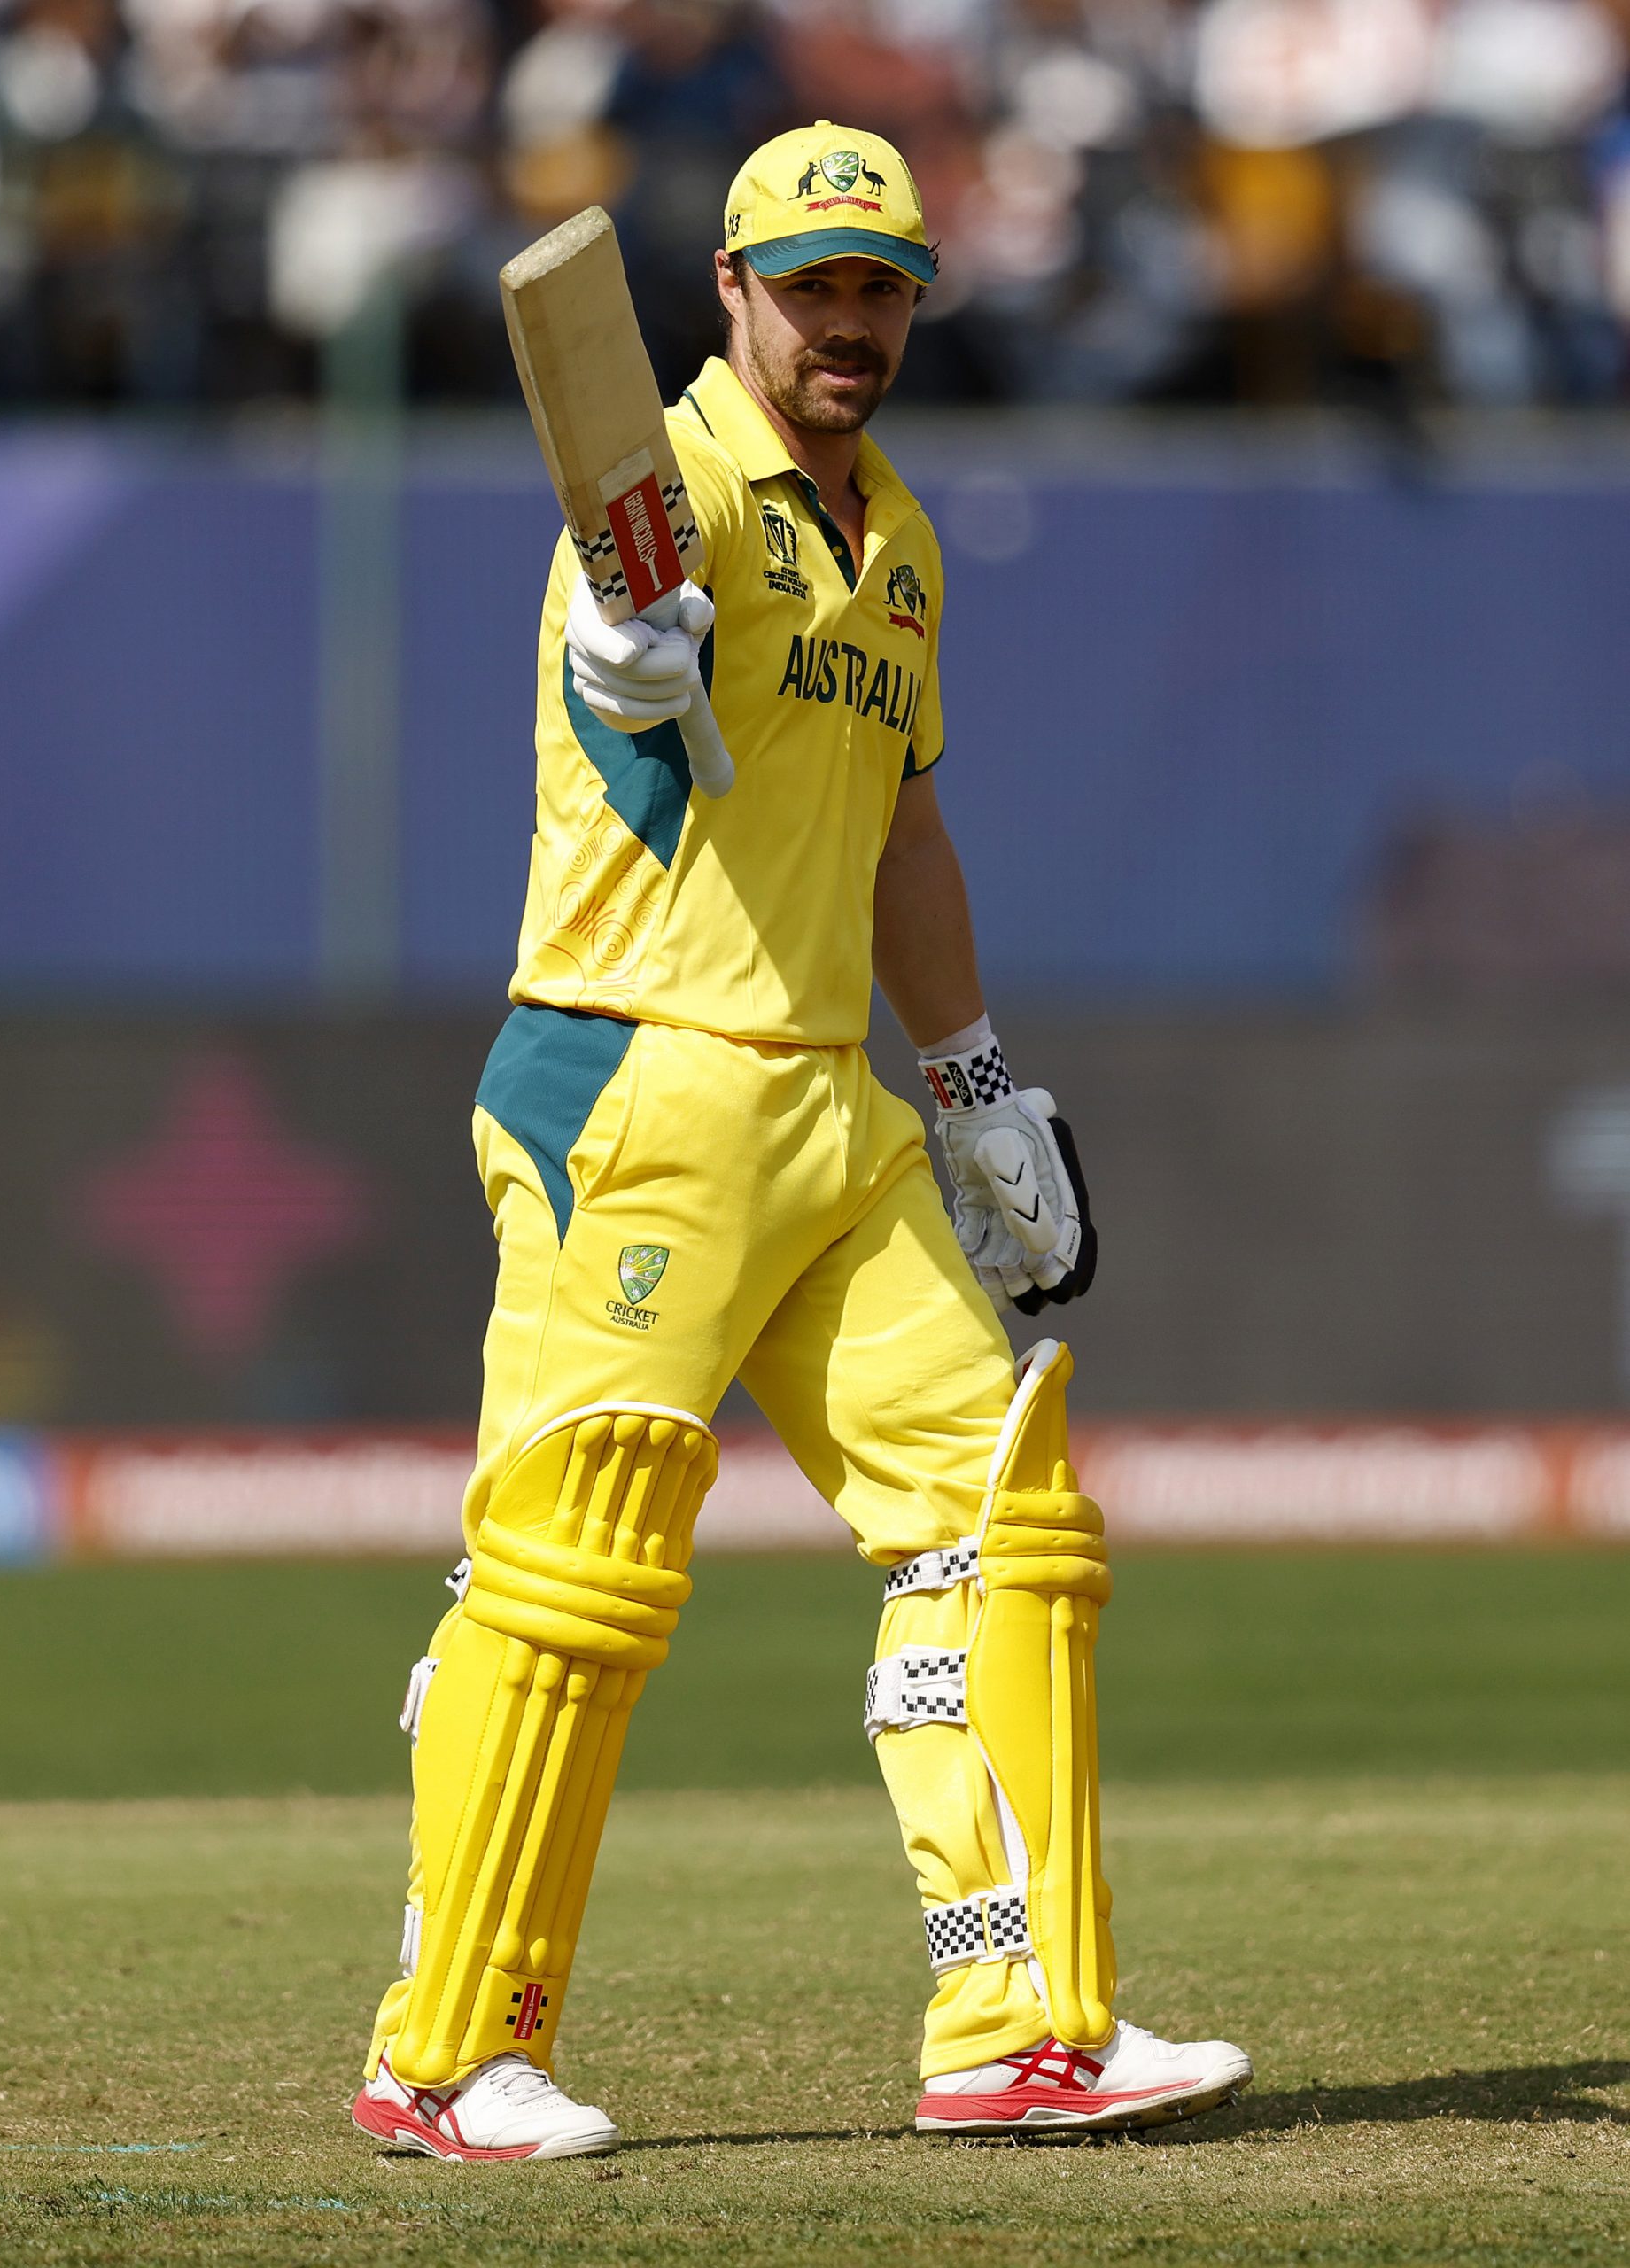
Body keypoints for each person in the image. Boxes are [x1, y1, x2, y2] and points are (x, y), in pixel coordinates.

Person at [353, 120, 1251, 2162]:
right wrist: (617, 664)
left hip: (827, 1098)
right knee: (577, 1586)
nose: (846, 324)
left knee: (1009, 1520)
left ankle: (1017, 2023)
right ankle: (441, 2052)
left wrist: (970, 1075)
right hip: (633, 1077)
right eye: (810, 287)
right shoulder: (662, 487)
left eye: (879, 289)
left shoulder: (900, 536)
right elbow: (608, 661)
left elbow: (901, 827)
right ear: (733, 295)